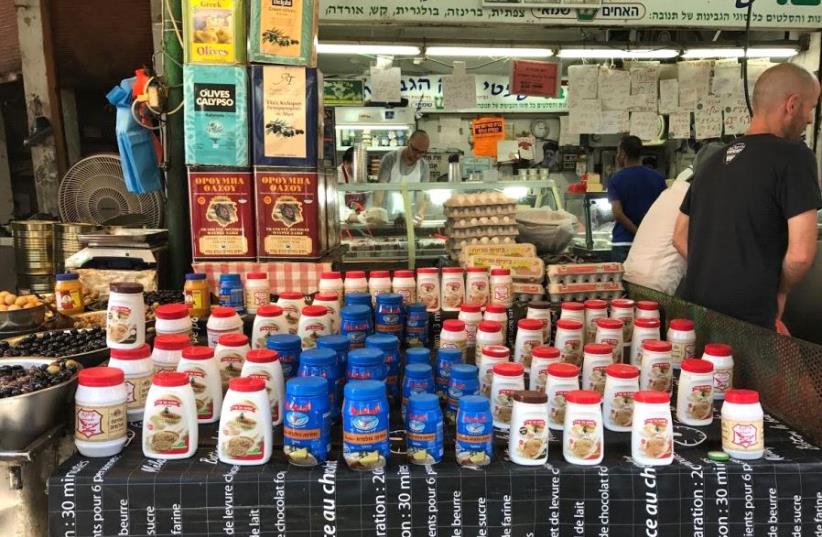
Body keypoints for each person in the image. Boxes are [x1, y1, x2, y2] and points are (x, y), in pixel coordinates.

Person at [673, 63, 821, 330]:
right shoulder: (795, 157)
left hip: (697, 315)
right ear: (792, 104)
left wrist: (717, 275)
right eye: (810, 108)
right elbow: (801, 254)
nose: (810, 119)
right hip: (749, 321)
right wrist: (780, 291)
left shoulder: (712, 161)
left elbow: (679, 236)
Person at [623, 142, 724, 295]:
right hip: (656, 284)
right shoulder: (697, 197)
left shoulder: (672, 191)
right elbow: (679, 240)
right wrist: (713, 274)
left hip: (631, 275)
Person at [607, 136, 667, 261]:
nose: (617, 156)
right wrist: (645, 234)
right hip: (651, 242)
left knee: (622, 280)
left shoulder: (616, 180)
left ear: (623, 154)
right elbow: (664, 210)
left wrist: (637, 232)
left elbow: (618, 213)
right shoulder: (657, 178)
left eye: (618, 152)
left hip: (623, 242)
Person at [375, 130, 431, 223]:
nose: (417, 155)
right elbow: (380, 188)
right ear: (408, 142)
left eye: (422, 152)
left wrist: (421, 212)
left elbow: (423, 194)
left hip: (409, 218)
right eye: (415, 150)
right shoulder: (390, 159)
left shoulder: (424, 166)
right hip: (386, 217)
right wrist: (376, 210)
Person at [337, 147, 366, 214]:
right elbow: (340, 206)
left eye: (362, 164)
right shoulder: (338, 176)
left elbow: (367, 196)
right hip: (346, 218)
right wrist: (350, 215)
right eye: (357, 165)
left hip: (361, 216)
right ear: (346, 163)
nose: (360, 168)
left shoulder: (362, 173)